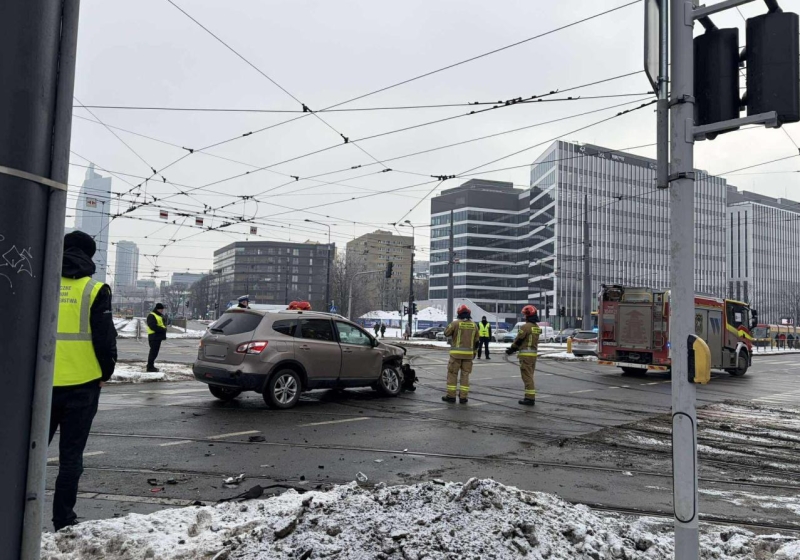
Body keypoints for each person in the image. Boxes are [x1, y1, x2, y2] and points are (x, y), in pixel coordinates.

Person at [51, 230, 117, 531]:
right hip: (83, 385)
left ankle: (15, 511)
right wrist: (106, 373)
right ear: (89, 256)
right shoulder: (95, 289)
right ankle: (63, 519)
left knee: (28, 452)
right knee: (71, 457)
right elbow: (105, 339)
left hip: (41, 386)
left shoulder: (41, 281)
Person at [442, 304, 480, 404]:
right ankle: (463, 397)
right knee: (465, 376)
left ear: (459, 313)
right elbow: (477, 342)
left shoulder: (455, 323)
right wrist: (474, 353)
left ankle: (451, 396)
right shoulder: (474, 325)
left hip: (456, 356)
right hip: (468, 356)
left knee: (452, 375)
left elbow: (446, 333)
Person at [506, 305, 541, 406]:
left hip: (525, 355)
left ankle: (530, 398)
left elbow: (519, 339)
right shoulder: (536, 327)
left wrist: (512, 349)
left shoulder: (525, 327)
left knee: (527, 376)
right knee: (530, 375)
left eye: (525, 315)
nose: (524, 317)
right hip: (533, 355)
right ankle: (529, 396)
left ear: (528, 316)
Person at [146, 303, 167, 372]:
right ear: (157, 309)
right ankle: (150, 367)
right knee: (153, 352)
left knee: (154, 352)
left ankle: (150, 365)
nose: (162, 311)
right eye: (161, 309)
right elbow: (152, 326)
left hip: (157, 337)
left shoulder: (159, 315)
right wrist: (162, 329)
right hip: (154, 336)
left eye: (162, 310)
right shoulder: (152, 315)